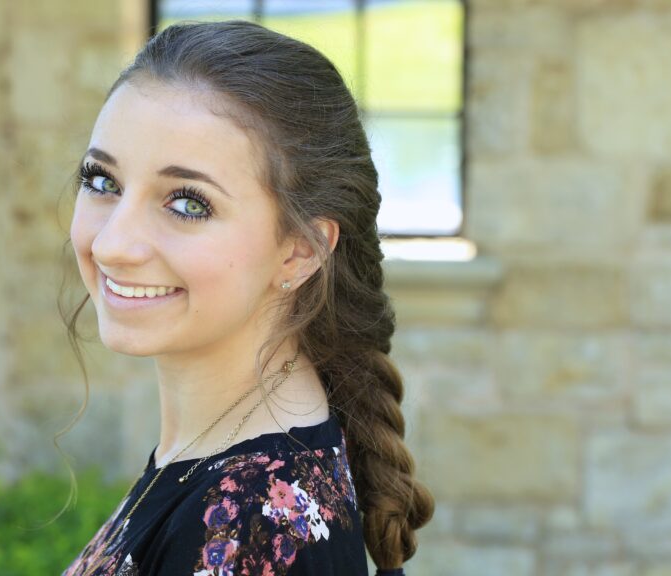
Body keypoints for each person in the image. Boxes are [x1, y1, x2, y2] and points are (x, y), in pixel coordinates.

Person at [59, 19, 434, 576]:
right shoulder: (229, 463)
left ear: (300, 252)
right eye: (103, 181)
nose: (112, 244)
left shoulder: (249, 527)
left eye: (187, 203)